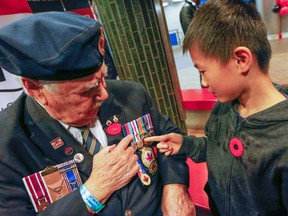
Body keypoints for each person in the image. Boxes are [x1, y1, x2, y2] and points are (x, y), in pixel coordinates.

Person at [0, 12, 195, 215]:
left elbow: (168, 138)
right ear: (34, 89)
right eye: (87, 90)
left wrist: (175, 186)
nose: (104, 93)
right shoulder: (8, 144)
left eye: (103, 76)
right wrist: (92, 193)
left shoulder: (130, 94)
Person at [145, 0, 288, 215]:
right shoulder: (224, 108)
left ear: (241, 59)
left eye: (203, 71)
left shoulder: (282, 139)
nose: (203, 82)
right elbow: (215, 149)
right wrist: (186, 144)